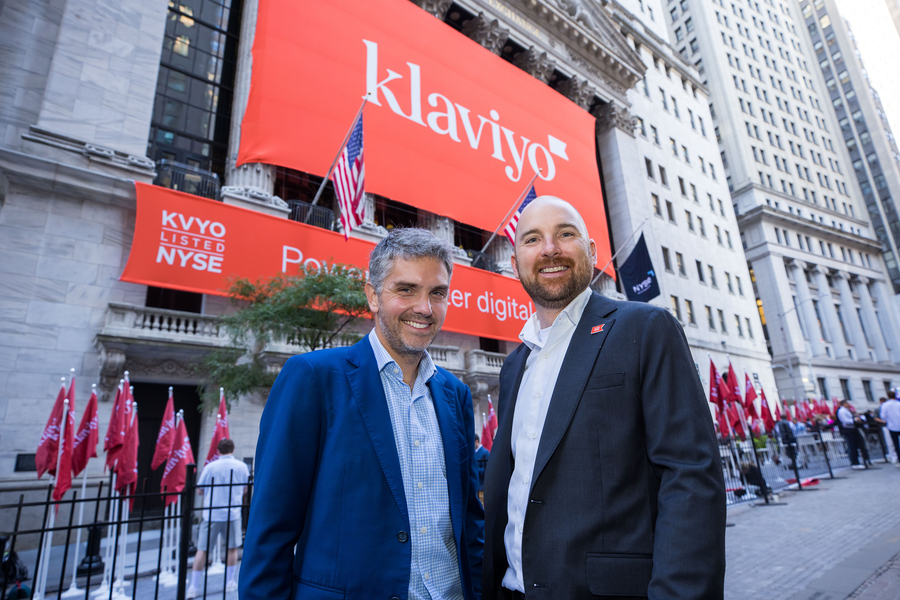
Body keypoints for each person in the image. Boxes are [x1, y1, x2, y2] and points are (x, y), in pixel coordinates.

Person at [481, 196, 726, 599]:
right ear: (515, 263)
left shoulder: (646, 328)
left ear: (592, 252)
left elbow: (690, 477)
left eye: (565, 233)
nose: (549, 249)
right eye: (532, 239)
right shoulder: (514, 366)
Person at [240, 228, 484, 600]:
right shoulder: (313, 378)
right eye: (406, 289)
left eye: (437, 293)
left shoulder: (457, 395)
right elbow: (269, 531)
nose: (424, 308)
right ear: (372, 295)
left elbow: (469, 522)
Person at [188, 439, 249, 597]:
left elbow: (200, 490)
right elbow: (244, 490)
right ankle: (229, 582)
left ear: (218, 450)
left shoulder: (210, 467)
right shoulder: (241, 467)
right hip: (233, 513)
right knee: (232, 548)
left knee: (202, 550)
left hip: (212, 514)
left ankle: (193, 586)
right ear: (233, 449)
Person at [837, 400, 867, 470]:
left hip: (852, 429)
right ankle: (854, 462)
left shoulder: (846, 410)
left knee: (856, 445)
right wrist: (855, 420)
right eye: (847, 403)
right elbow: (845, 420)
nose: (848, 405)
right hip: (848, 429)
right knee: (852, 446)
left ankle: (858, 461)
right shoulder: (842, 411)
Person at [879, 392, 900, 466]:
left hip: (892, 426)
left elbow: (883, 416)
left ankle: (898, 459)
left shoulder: (885, 405)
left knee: (895, 443)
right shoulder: (898, 403)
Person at [474, 435, 490, 499]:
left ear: (476, 441)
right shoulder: (473, 452)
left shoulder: (485, 452)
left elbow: (487, 470)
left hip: (481, 487)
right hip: (475, 487)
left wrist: (474, 470)